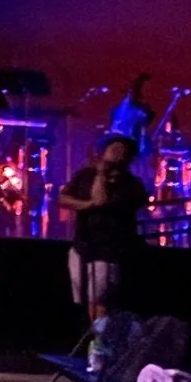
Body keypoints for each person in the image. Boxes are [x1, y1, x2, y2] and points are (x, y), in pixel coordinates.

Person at [59, 135, 149, 322]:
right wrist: (87, 205)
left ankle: (101, 338)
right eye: (113, 148)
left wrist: (100, 175)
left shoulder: (131, 184)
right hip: (81, 246)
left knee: (99, 302)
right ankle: (92, 335)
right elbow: (63, 199)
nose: (117, 152)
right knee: (85, 301)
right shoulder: (84, 175)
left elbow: (101, 200)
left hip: (108, 250)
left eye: (122, 150)